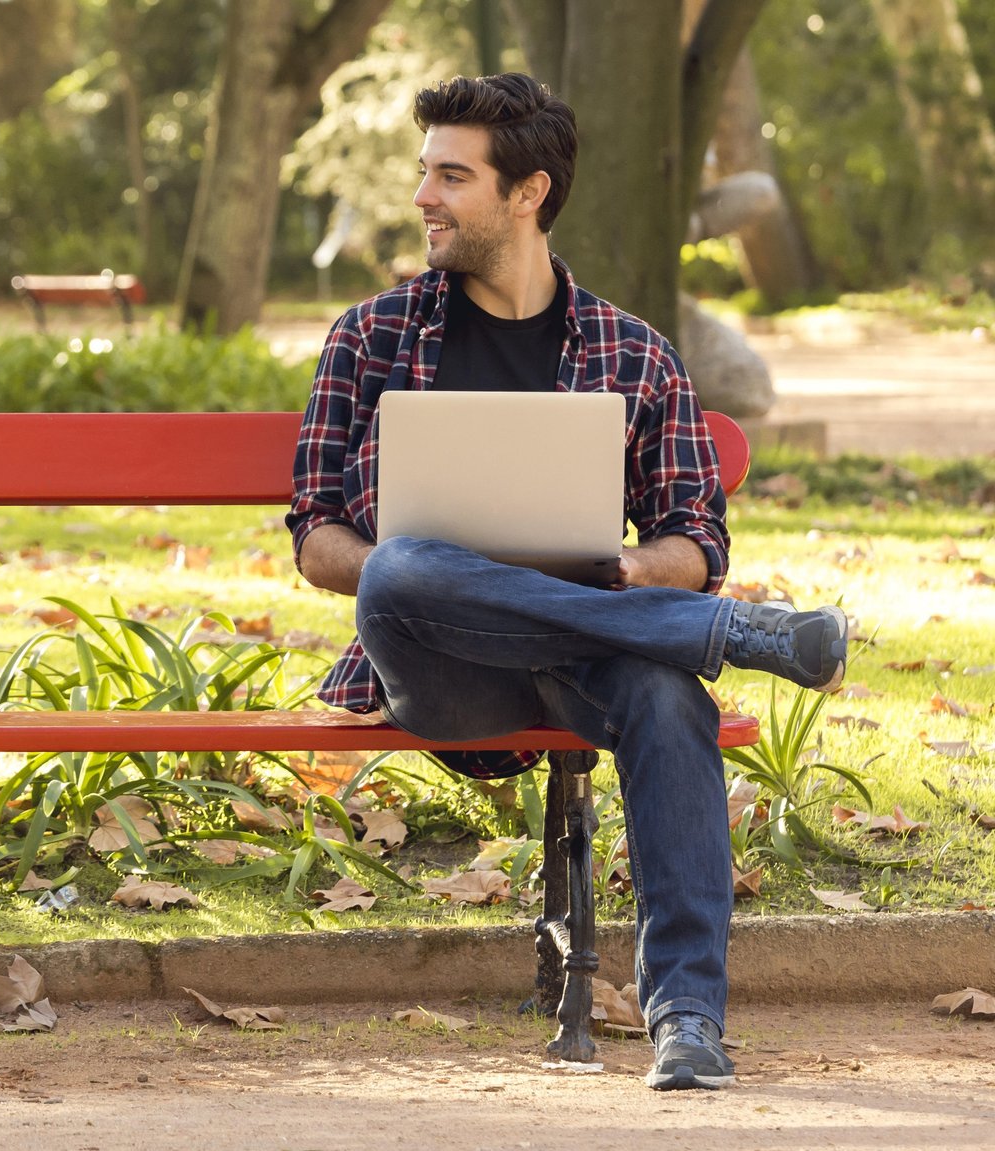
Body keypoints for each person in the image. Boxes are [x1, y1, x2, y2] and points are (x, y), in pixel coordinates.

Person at [287, 72, 848, 1092]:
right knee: (403, 565)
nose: (423, 197)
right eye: (424, 174)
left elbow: (692, 542)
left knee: (665, 692)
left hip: (587, 665)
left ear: (525, 193)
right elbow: (318, 538)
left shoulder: (635, 355)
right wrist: (431, 577)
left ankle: (686, 1018)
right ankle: (725, 635)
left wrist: (629, 570)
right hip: (438, 669)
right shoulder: (367, 338)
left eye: (449, 177)